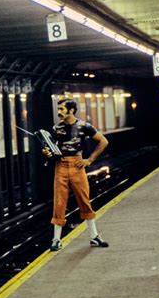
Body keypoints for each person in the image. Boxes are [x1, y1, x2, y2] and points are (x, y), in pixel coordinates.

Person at [42, 99, 109, 251]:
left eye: (62, 109)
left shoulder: (84, 126)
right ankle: (56, 240)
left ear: (71, 110)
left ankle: (94, 237)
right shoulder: (56, 128)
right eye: (58, 108)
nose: (59, 112)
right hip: (61, 165)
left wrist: (89, 160)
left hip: (78, 165)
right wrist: (47, 152)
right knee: (59, 202)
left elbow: (103, 141)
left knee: (84, 200)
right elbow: (50, 148)